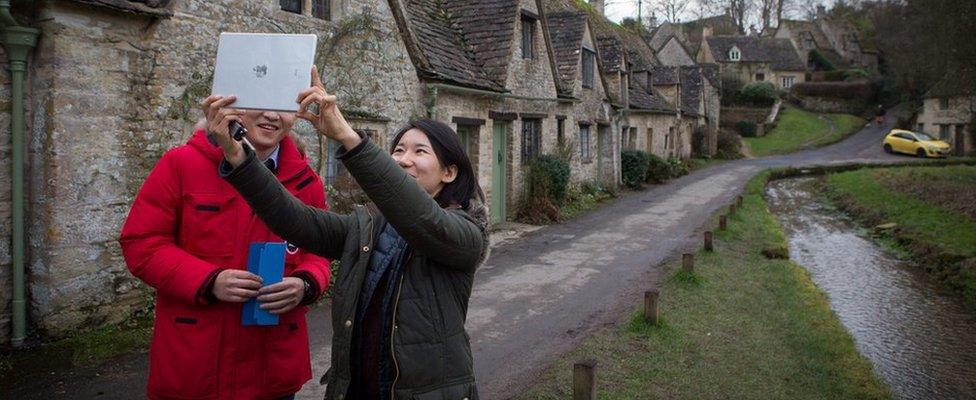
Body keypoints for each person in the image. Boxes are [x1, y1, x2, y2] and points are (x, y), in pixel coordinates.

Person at [208, 66, 490, 399]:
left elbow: (423, 219)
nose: (403, 160)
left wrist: (347, 136)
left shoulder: (465, 233)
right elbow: (296, 221)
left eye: (419, 151)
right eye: (398, 150)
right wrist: (239, 157)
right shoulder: (369, 226)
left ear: (449, 171)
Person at [119, 104, 331, 399]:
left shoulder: (306, 181)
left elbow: (319, 251)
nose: (272, 116)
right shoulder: (181, 164)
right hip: (196, 367)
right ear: (234, 106)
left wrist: (306, 283)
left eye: (283, 108)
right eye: (261, 104)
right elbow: (142, 243)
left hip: (273, 367)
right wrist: (210, 280)